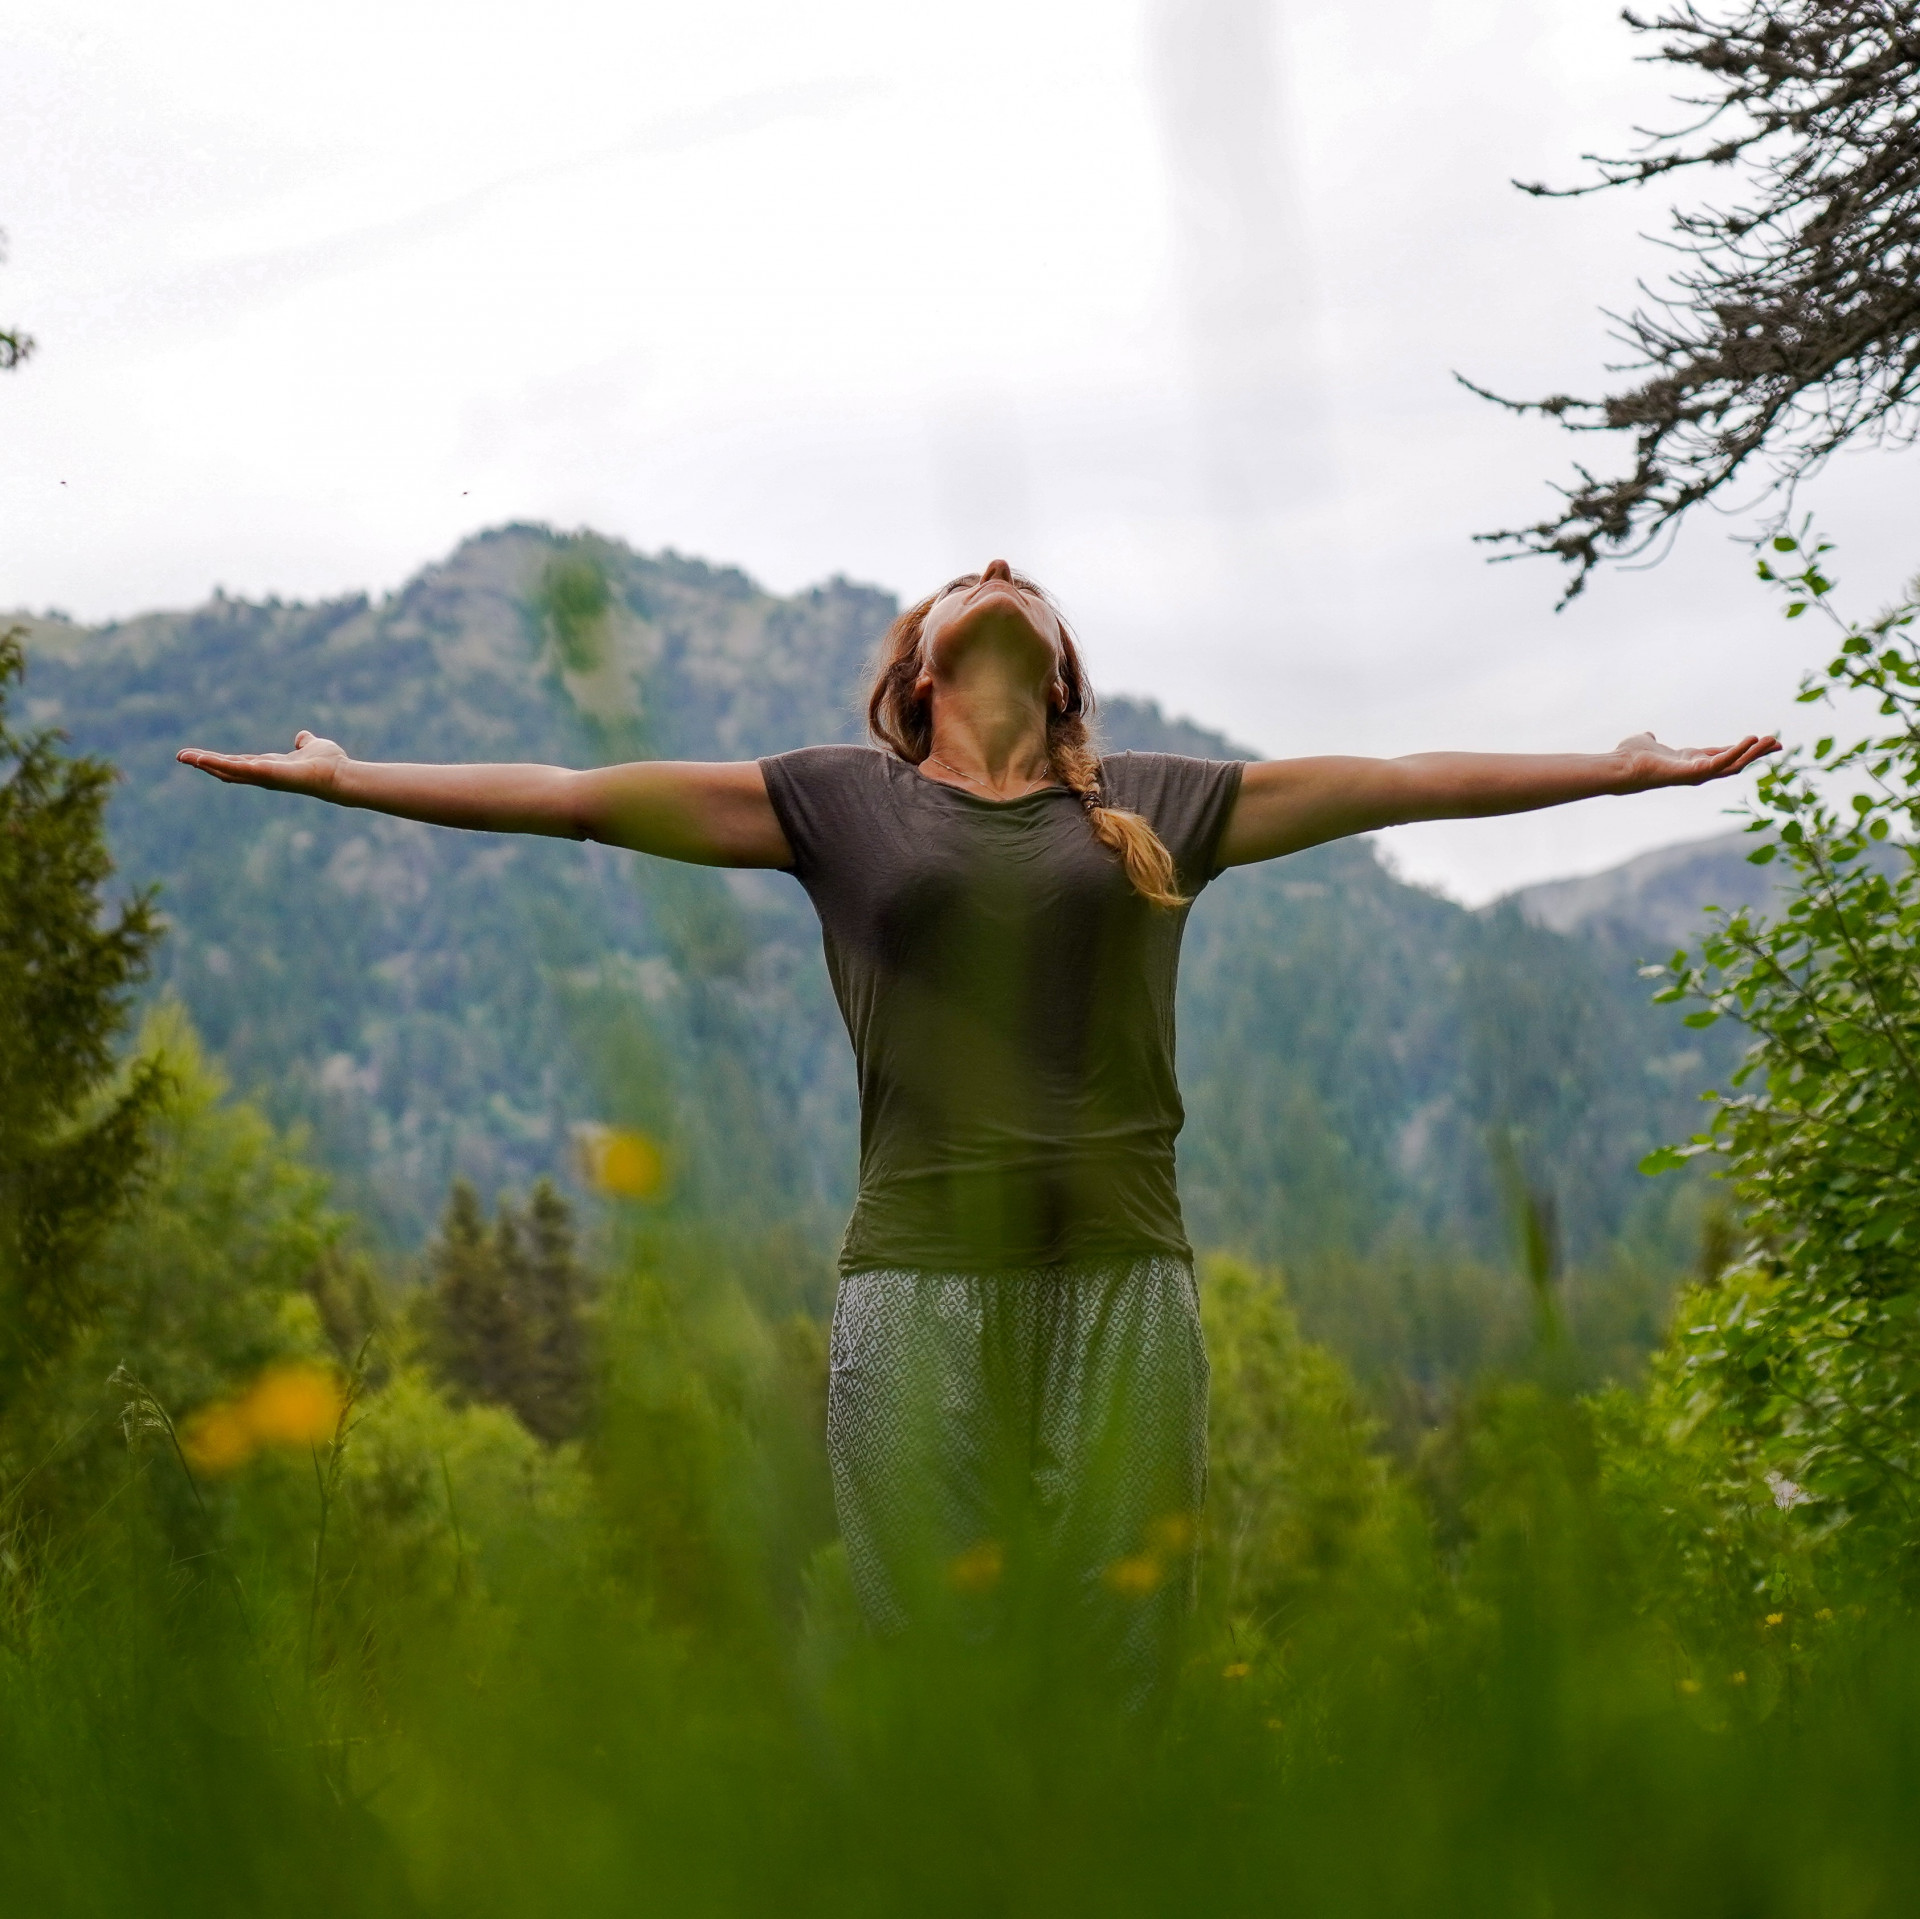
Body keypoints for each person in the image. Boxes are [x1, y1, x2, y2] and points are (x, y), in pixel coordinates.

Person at [179, 558, 1777, 1688]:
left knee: (1124, 1640)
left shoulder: (1157, 806)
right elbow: (578, 790)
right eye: (965, 581)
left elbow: (1405, 781)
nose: (999, 572)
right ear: (924, 669)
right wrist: (351, 777)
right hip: (921, 1275)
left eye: (1022, 584)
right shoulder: (838, 802)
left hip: (1123, 1275)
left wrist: (1616, 768)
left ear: (1055, 669)